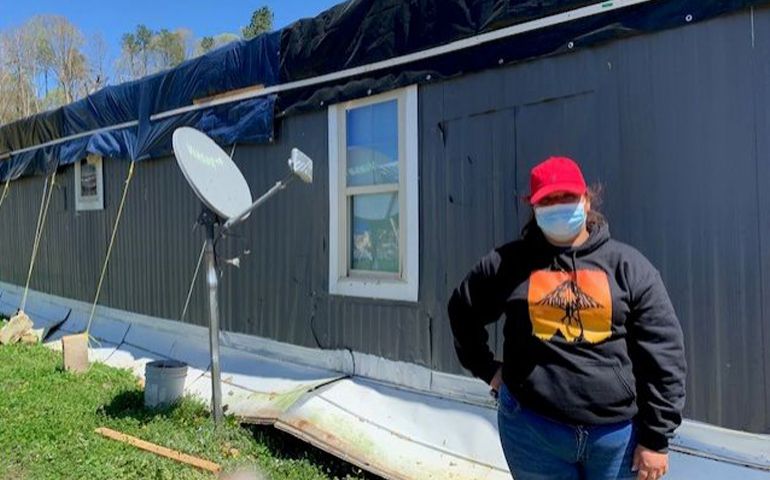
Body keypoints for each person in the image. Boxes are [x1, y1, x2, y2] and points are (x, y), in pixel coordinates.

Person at [448, 156, 686, 480]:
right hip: (532, 432)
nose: (559, 206)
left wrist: (656, 440)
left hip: (617, 440)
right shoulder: (507, 264)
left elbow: (664, 354)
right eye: (548, 200)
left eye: (567, 197)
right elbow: (463, 310)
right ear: (533, 207)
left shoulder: (629, 267)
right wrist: (488, 369)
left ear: (587, 200)